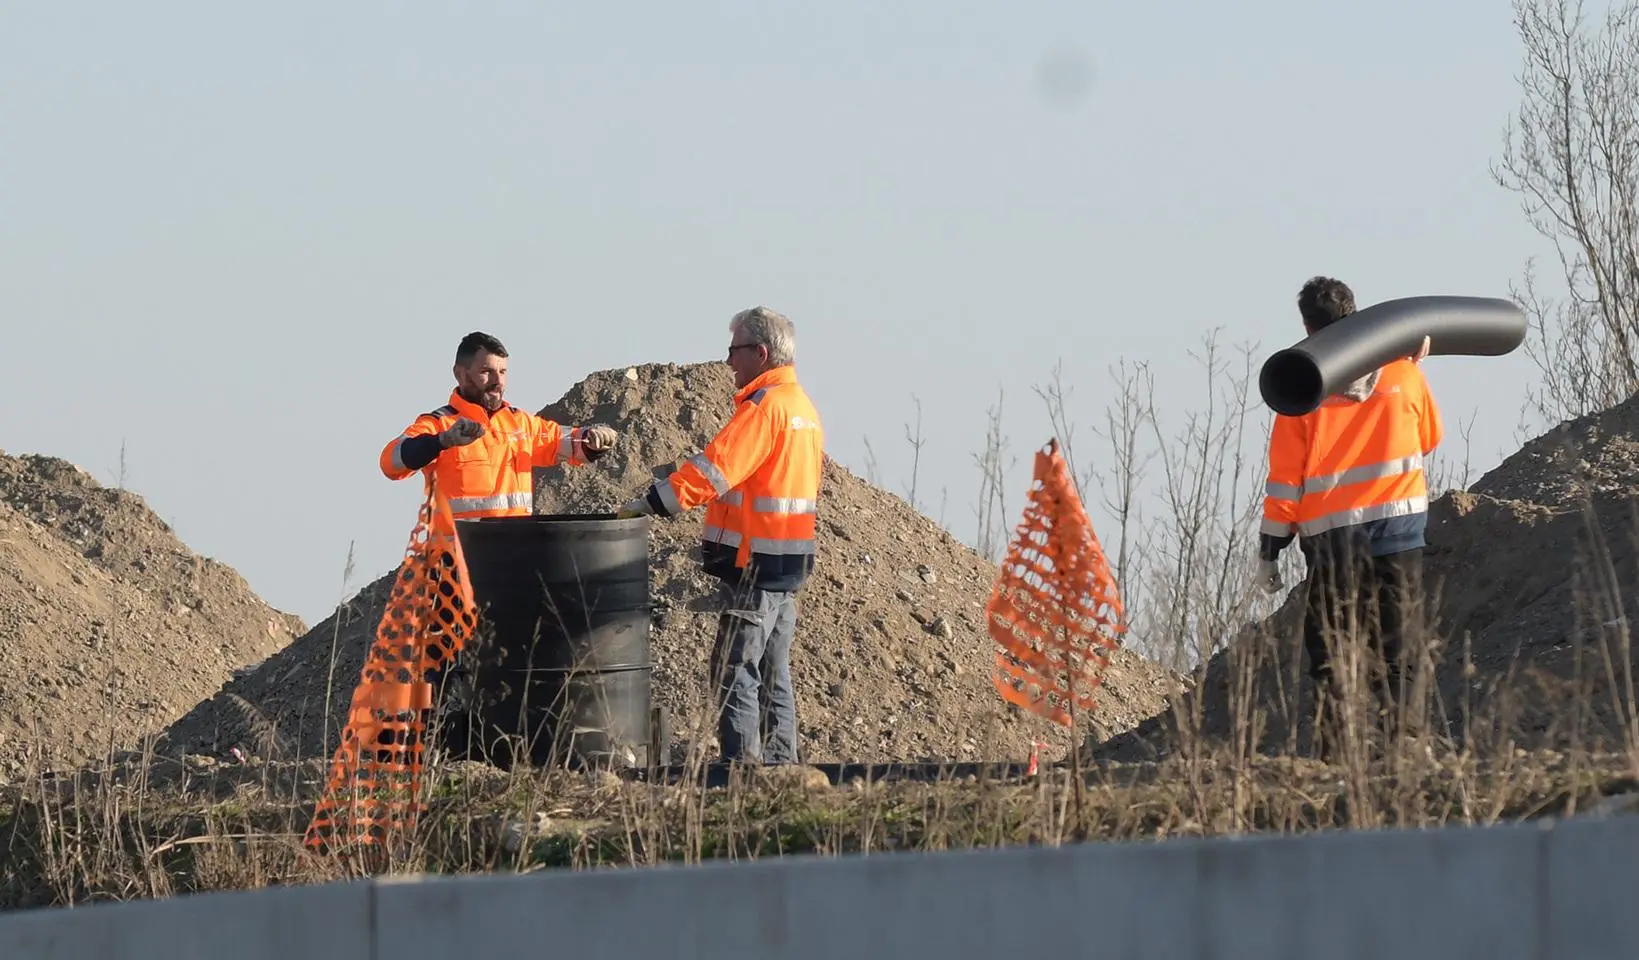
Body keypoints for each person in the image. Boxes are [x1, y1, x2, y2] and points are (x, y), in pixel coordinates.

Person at [377, 330, 620, 748]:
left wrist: (594, 439)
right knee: (440, 664)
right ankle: (417, 749)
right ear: (461, 372)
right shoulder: (439, 423)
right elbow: (393, 460)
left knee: (510, 662)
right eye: (487, 371)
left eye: (503, 371)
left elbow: (567, 443)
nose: (497, 380)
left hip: (513, 569)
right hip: (454, 570)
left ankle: (499, 745)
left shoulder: (519, 425)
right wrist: (440, 442)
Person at [617, 306, 824, 765]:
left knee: (735, 670)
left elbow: (715, 471)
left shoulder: (765, 408)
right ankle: (779, 767)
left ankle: (742, 772)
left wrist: (652, 502)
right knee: (773, 671)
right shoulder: (802, 409)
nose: (728, 362)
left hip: (755, 564)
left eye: (734, 351)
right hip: (786, 562)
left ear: (760, 352)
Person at [1258, 276, 1442, 755]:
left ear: (1307, 325)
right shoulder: (1403, 375)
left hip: (1332, 541)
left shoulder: (1301, 390)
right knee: (1399, 645)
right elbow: (1429, 438)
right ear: (1356, 316)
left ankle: (1337, 754)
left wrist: (1271, 544)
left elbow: (1285, 480)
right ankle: (1404, 745)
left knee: (1332, 652)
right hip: (1398, 531)